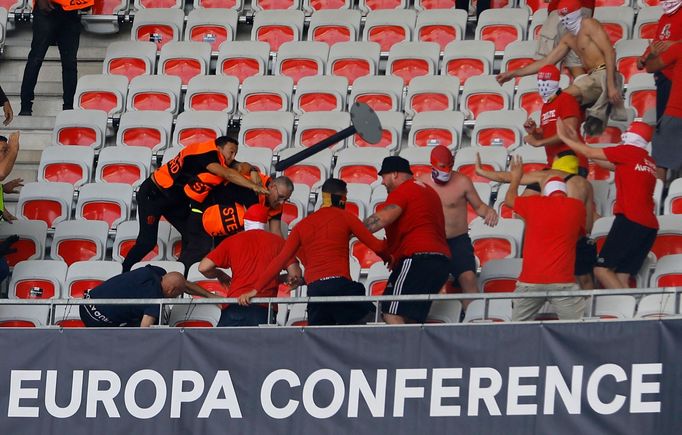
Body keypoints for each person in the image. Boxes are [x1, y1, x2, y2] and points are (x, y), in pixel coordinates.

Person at [250, 178, 385, 326]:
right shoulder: (346, 217)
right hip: (340, 287)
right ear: (341, 197)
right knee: (376, 321)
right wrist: (392, 255)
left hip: (315, 290)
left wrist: (255, 289)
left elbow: (280, 260)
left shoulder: (301, 226)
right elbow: (377, 247)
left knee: (321, 341)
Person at [121, 136, 267, 272]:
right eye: (231, 152)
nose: (233, 157)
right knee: (146, 243)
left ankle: (179, 276)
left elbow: (242, 166)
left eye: (235, 153)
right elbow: (227, 174)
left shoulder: (223, 159)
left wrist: (253, 171)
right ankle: (122, 273)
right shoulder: (205, 153)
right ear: (219, 148)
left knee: (194, 238)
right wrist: (253, 186)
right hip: (154, 194)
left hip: (174, 200)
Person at [497, 0, 625, 136]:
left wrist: (611, 86)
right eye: (562, 17)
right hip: (591, 78)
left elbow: (610, 52)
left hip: (603, 75)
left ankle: (547, 131)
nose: (564, 20)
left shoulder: (589, 24)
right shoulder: (568, 38)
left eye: (567, 16)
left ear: (576, 14)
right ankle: (572, 129)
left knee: (561, 98)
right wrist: (513, 74)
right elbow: (546, 62)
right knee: (558, 102)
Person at [557, 118, 659, 289]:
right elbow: (602, 161)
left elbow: (591, 154)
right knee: (621, 277)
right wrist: (578, 141)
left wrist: (563, 137)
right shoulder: (647, 160)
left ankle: (628, 306)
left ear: (631, 135)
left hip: (630, 220)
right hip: (648, 225)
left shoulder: (627, 152)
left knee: (601, 270)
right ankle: (629, 312)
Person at [475, 154, 597, 289]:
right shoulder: (585, 184)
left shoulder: (546, 176)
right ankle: (588, 308)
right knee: (582, 280)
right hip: (574, 239)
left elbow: (507, 178)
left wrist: (482, 171)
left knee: (547, 281)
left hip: (547, 242)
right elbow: (588, 225)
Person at [363, 156, 451, 324]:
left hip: (418, 258)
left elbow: (383, 218)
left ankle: (403, 351)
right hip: (440, 261)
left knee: (390, 311)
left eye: (384, 176)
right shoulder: (428, 191)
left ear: (394, 174)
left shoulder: (403, 190)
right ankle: (415, 349)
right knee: (410, 318)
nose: (382, 182)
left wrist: (350, 230)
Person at [505, 158, 586, 321]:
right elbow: (581, 234)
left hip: (530, 280)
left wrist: (516, 178)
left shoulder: (534, 203)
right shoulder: (576, 207)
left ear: (545, 192)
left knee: (515, 329)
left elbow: (509, 200)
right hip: (562, 281)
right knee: (576, 329)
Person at [417, 146, 498, 304]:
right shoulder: (421, 183)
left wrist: (489, 212)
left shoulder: (462, 182)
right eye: (442, 167)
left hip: (457, 240)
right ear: (432, 164)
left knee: (468, 278)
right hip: (433, 241)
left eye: (449, 166)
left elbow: (479, 206)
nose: (446, 170)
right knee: (430, 283)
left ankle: (473, 320)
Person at [199, 204, 302, 327]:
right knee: (258, 346)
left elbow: (203, 267)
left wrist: (220, 274)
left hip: (234, 304)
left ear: (245, 221)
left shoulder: (232, 240)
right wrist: (278, 279)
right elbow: (295, 274)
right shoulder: (279, 242)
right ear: (265, 223)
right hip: (263, 306)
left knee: (223, 345)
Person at [178, 174, 294, 270]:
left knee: (225, 259)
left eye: (285, 199)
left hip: (225, 221)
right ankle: (177, 279)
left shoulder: (276, 203)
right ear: (272, 186)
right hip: (204, 211)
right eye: (280, 197)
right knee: (197, 252)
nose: (282, 202)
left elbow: (276, 232)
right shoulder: (251, 188)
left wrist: (287, 259)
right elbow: (253, 231)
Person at [79, 265, 219, 327]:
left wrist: (208, 295)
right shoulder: (155, 299)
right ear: (171, 292)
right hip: (96, 320)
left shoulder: (154, 272)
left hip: (85, 303)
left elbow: (182, 284)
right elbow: (145, 329)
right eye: (177, 294)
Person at [20, 0, 93, 116]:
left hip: (71, 11)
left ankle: (68, 108)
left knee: (70, 64)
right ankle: (25, 106)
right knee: (35, 59)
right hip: (47, 10)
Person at [524, 64, 588, 176]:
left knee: (555, 191)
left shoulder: (566, 99)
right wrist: (534, 131)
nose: (542, 84)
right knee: (529, 193)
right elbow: (546, 133)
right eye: (540, 80)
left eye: (546, 80)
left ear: (556, 81)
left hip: (571, 158)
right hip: (553, 162)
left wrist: (539, 142)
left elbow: (568, 132)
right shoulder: (546, 105)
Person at [637, 0, 682, 126]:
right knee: (663, 121)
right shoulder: (664, 18)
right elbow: (657, 42)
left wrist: (673, 44)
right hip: (662, 74)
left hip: (676, 76)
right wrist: (644, 57)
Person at [644, 41, 682, 181]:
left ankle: (657, 198)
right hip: (675, 114)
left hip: (675, 114)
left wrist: (652, 54)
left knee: (660, 165)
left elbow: (650, 67)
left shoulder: (678, 48)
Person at [535, 0, 594, 78]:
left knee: (548, 63)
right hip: (583, 9)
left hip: (562, 9)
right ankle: (586, 89)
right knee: (574, 63)